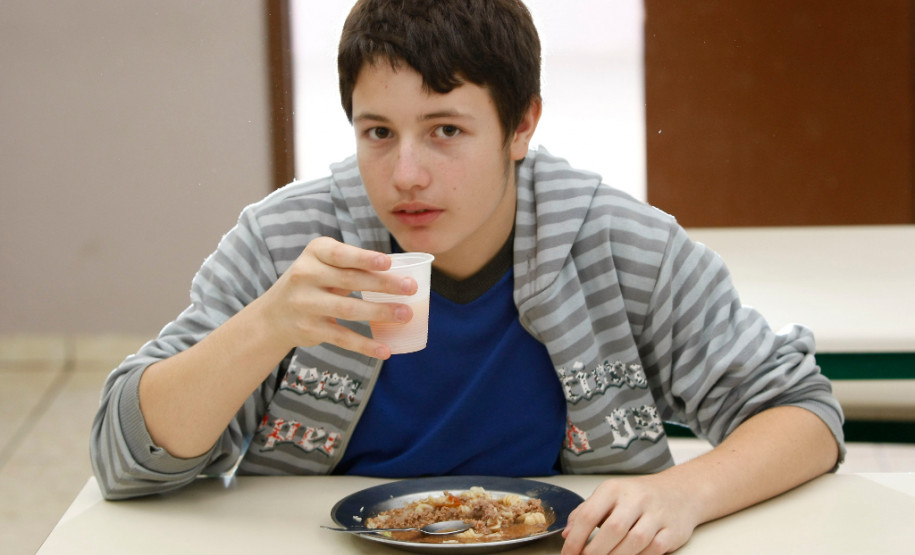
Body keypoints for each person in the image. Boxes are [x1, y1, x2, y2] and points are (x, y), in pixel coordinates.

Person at [90, 0, 845, 553]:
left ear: (521, 127)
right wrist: (266, 326)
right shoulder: (287, 240)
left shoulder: (615, 240)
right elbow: (126, 459)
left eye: (445, 130)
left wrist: (683, 491)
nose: (405, 174)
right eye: (377, 132)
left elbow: (802, 410)